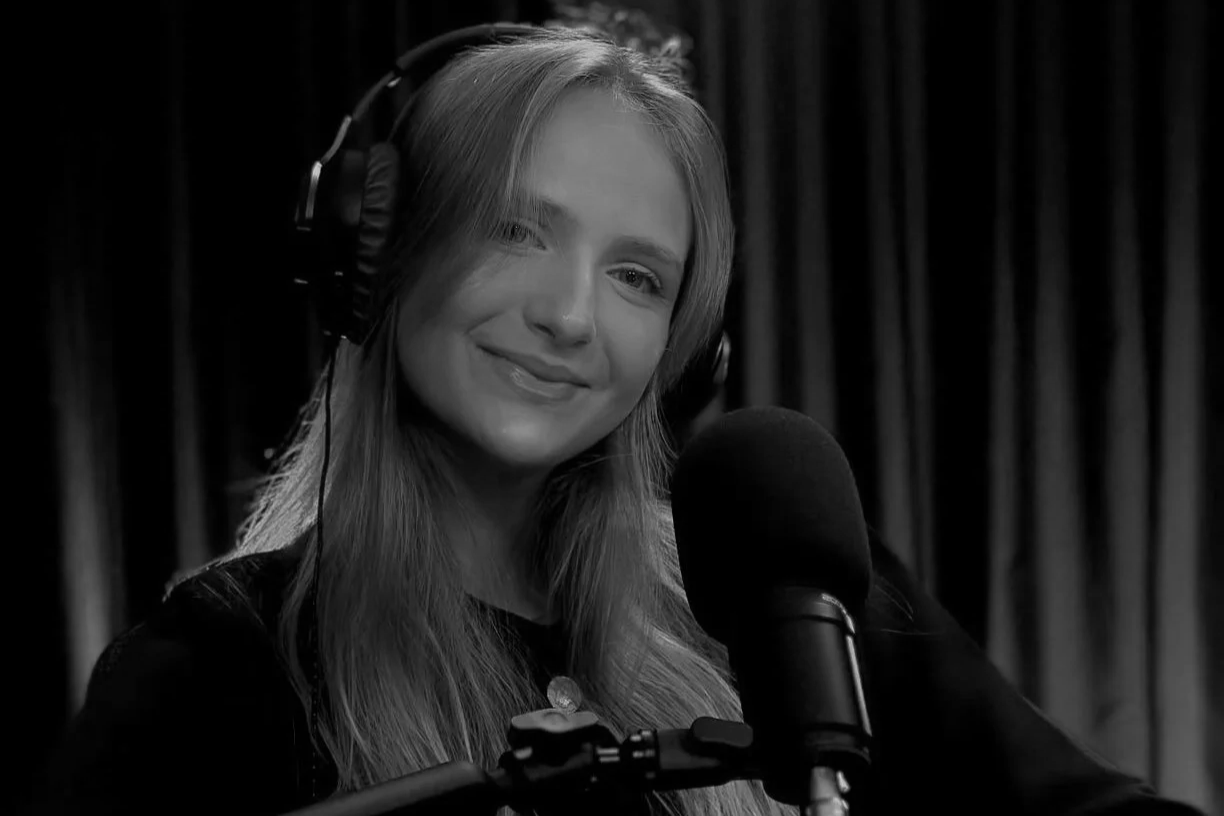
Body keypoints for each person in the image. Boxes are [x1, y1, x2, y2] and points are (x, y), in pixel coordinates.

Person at [31, 24, 1204, 816]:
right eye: (516, 230)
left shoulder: (792, 600)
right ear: (375, 252)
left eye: (638, 277)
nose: (569, 316)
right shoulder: (218, 669)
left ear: (685, 348)